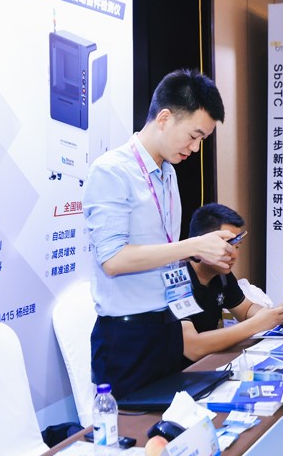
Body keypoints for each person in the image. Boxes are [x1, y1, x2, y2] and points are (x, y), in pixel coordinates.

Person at [84, 69, 239, 399]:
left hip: (168, 326)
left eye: (202, 141)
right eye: (194, 136)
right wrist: (193, 246)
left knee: (176, 424)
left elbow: (163, 249)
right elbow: (113, 260)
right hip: (128, 339)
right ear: (165, 118)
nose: (195, 148)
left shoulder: (168, 173)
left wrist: (200, 250)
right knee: (133, 428)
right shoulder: (112, 171)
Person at [181, 204, 283, 368]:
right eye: (226, 246)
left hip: (207, 365)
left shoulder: (221, 274)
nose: (234, 254)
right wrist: (258, 323)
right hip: (173, 374)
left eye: (237, 246)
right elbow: (193, 348)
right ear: (202, 243)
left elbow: (246, 309)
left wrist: (277, 314)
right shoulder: (177, 279)